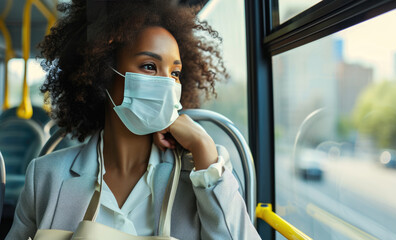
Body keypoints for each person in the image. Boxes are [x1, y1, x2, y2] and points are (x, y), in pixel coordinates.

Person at [5, 0, 260, 239]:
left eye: (175, 73)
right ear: (104, 71)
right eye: (149, 66)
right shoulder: (45, 175)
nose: (167, 83)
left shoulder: (202, 173)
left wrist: (203, 146)